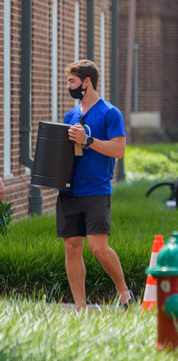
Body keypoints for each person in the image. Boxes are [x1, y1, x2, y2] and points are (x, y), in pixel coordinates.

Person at [60, 60, 132, 310]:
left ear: (86, 82)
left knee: (98, 248)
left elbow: (119, 150)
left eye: (71, 81)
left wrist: (88, 140)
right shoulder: (70, 115)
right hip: (69, 190)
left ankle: (123, 291)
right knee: (72, 247)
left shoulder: (110, 113)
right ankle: (80, 307)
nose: (67, 86)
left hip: (96, 190)